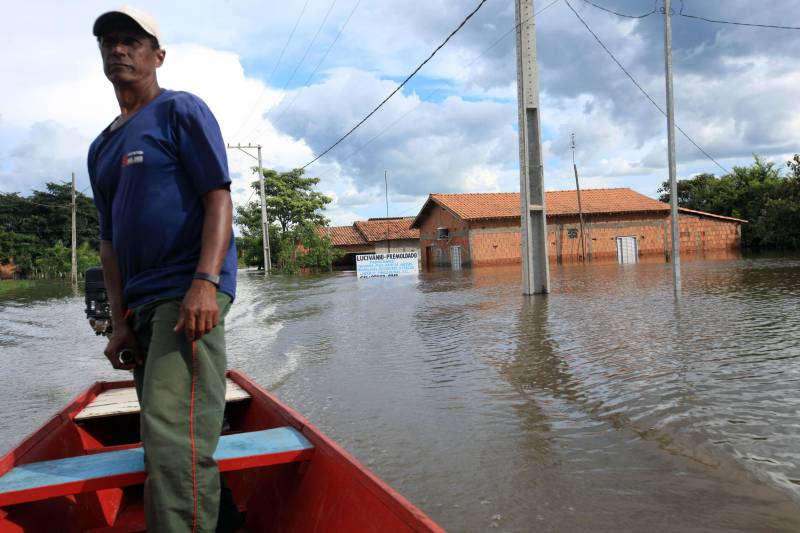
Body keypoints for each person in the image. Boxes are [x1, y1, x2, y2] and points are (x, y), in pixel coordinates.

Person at [87, 6, 240, 532]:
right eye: (108, 41)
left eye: (131, 40)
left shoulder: (180, 110)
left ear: (158, 54)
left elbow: (218, 200)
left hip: (187, 291)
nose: (118, 49)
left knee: (174, 435)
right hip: (141, 303)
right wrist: (118, 320)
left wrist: (205, 282)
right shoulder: (102, 146)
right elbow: (109, 244)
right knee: (162, 435)